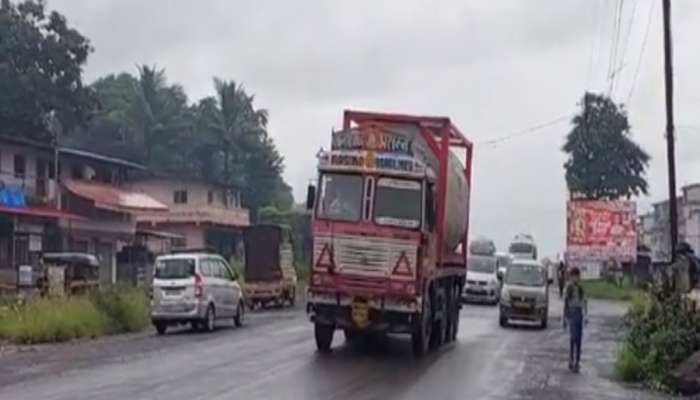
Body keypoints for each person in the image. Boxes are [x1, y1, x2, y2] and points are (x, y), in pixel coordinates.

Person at [563, 267, 587, 373]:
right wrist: (565, 318)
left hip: (579, 314)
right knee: (573, 337)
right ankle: (571, 360)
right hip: (572, 313)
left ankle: (577, 361)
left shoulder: (581, 288)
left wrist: (586, 316)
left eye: (577, 276)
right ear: (571, 277)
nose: (576, 278)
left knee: (579, 339)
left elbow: (584, 302)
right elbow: (566, 303)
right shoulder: (569, 288)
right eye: (574, 276)